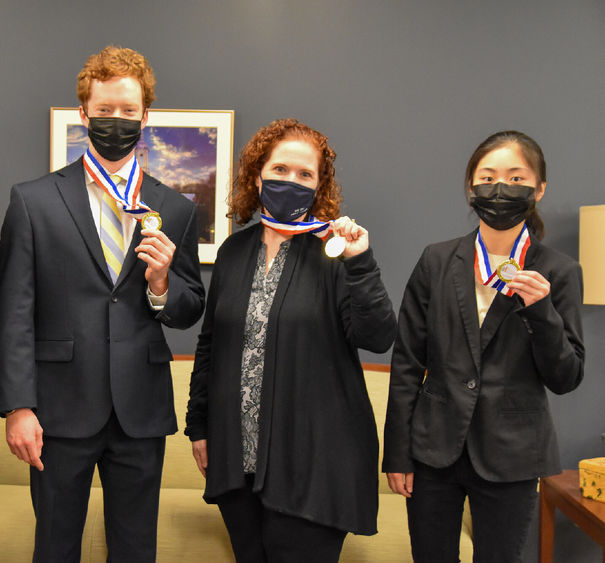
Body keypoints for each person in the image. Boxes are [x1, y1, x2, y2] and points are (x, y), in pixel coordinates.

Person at [0, 46, 205, 562]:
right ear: (84, 113)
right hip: (57, 409)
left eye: (128, 112)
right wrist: (18, 406)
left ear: (145, 116)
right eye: (105, 110)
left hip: (140, 409)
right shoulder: (33, 200)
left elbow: (190, 305)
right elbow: (14, 311)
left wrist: (160, 284)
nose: (116, 120)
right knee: (56, 547)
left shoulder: (173, 207)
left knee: (135, 550)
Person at [185, 118, 397, 562]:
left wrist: (361, 264)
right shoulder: (233, 252)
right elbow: (210, 346)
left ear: (319, 187)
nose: (291, 181)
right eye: (280, 170)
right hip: (235, 457)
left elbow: (377, 337)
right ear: (257, 174)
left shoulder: (335, 252)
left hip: (315, 461)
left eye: (305, 175)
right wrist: (199, 426)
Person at [382, 130, 585, 562]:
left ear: (539, 188)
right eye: (488, 176)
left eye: (516, 178)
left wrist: (541, 310)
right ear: (470, 187)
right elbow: (406, 363)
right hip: (434, 448)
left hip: (513, 454)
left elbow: (565, 377)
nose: (500, 188)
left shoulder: (559, 271)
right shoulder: (436, 260)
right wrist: (397, 454)